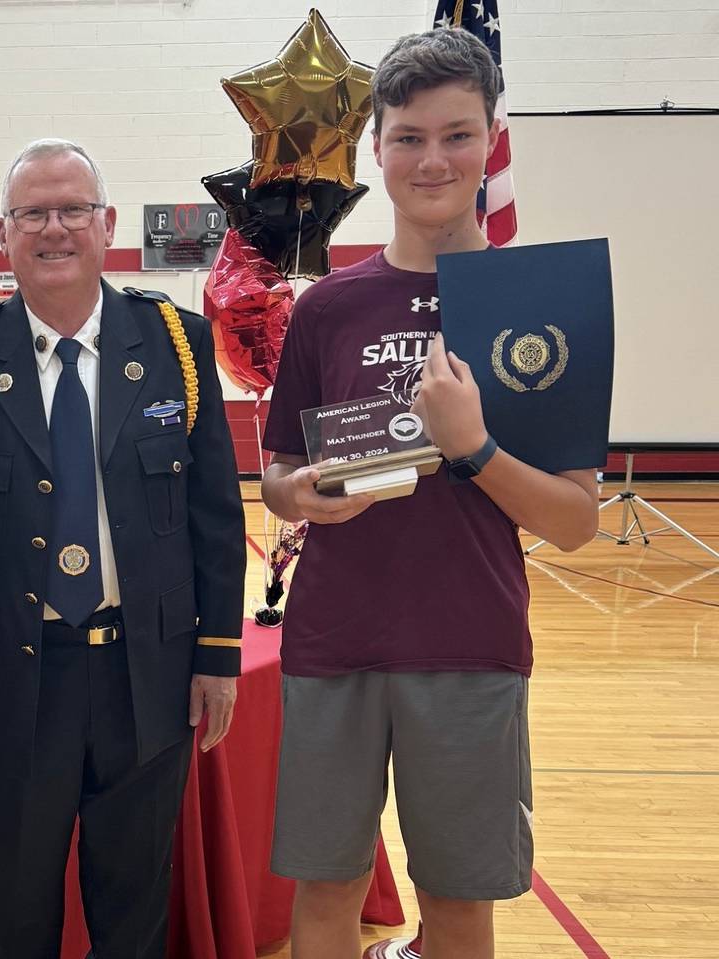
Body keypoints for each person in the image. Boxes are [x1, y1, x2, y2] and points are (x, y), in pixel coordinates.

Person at [259, 29, 601, 959]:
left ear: (492, 140)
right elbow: (278, 474)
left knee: (456, 906)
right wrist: (303, 498)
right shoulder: (328, 306)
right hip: (334, 642)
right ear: (377, 148)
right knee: (327, 894)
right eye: (408, 136)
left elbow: (575, 522)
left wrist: (475, 447)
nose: (432, 158)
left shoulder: (542, 305)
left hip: (471, 643)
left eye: (457, 134)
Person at [0, 139, 248, 958]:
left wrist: (219, 653)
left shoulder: (177, 343)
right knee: (18, 912)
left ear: (107, 225)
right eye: (32, 213)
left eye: (71, 211)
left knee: (133, 912)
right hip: (15, 674)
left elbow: (214, 508)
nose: (52, 229)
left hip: (147, 671)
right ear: (3, 232)